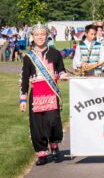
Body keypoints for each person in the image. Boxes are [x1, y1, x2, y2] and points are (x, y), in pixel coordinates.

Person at [20, 22, 68, 165]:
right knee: (37, 126)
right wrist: (22, 99)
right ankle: (42, 153)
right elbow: (23, 79)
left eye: (42, 34)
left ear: (47, 36)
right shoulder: (28, 57)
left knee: (53, 122)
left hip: (51, 93)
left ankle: (54, 145)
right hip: (36, 95)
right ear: (32, 37)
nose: (40, 37)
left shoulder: (55, 53)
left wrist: (62, 74)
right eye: (37, 35)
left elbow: (61, 69)